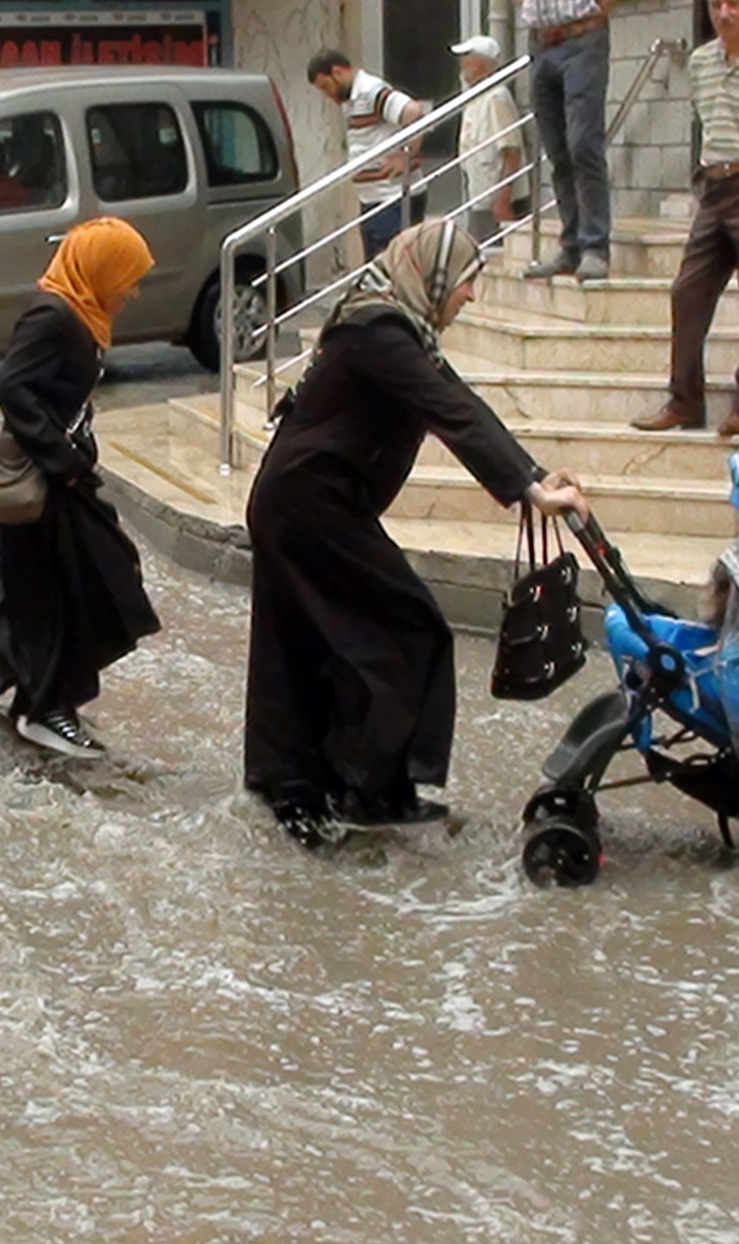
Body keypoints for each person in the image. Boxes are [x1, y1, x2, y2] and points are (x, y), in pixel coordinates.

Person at [244, 220, 590, 840]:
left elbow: (458, 399)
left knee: (306, 639)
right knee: (409, 627)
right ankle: (368, 791)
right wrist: (527, 488)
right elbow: (445, 407)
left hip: (302, 503)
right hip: (308, 506)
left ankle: (297, 782)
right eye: (465, 282)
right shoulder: (377, 329)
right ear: (429, 278)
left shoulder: (394, 327)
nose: (471, 296)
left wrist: (532, 478)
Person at [0, 218, 164, 757]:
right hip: (43, 479)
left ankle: (12, 688)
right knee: (70, 586)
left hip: (61, 474)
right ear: (98, 268)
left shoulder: (81, 311)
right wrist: (63, 460)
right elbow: (13, 386)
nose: (131, 289)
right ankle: (43, 709)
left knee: (34, 585)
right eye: (126, 275)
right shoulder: (53, 314)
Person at [634, 0, 739, 438]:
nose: (724, 13)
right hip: (715, 183)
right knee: (688, 290)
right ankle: (685, 398)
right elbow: (705, 120)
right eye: (715, 4)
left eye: (734, 3)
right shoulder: (701, 61)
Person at [518, 0, 612, 282]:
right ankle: (571, 247)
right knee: (557, 152)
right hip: (540, 43)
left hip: (582, 36)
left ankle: (594, 246)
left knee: (583, 145)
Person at [307, 49, 430, 261]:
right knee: (379, 266)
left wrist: (405, 156)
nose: (329, 96)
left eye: (327, 88)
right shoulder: (354, 99)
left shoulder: (370, 91)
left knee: (391, 267)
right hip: (375, 199)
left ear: (337, 73)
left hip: (392, 197)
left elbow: (413, 112)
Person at [450, 35, 529, 250]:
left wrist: (503, 198)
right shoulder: (475, 99)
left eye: (468, 58)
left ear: (484, 65)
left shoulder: (497, 97)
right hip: (480, 197)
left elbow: (512, 150)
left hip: (498, 200)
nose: (463, 64)